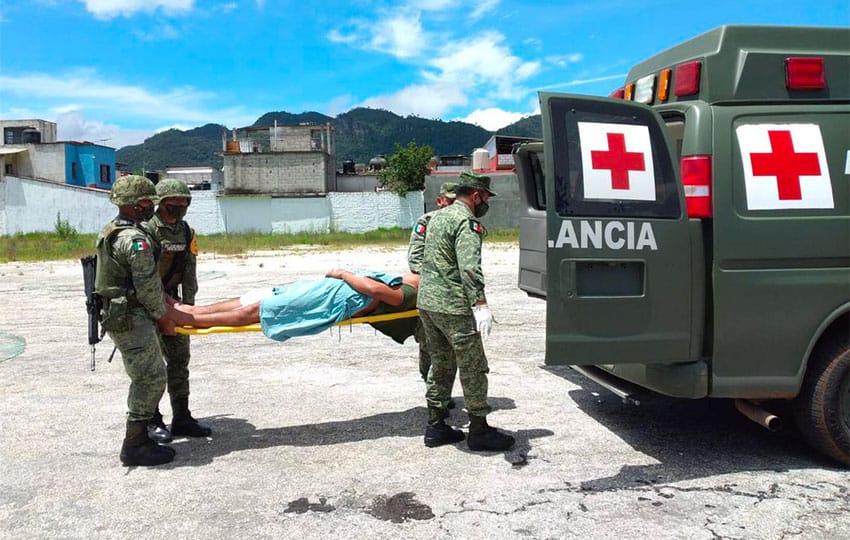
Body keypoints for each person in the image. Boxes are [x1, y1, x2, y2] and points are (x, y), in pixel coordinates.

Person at [417, 170, 515, 451]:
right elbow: (469, 266)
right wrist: (480, 303)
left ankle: (436, 426)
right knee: (472, 367)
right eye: (485, 198)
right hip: (453, 306)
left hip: (428, 303)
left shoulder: (437, 217)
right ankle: (479, 430)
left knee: (440, 364)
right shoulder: (465, 222)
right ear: (475, 196)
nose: (486, 203)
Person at [95, 175, 176, 467]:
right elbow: (148, 286)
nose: (151, 207)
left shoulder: (112, 231)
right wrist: (163, 317)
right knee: (151, 377)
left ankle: (139, 437)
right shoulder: (135, 240)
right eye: (147, 202)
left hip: (121, 315)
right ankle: (135, 444)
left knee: (143, 375)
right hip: (132, 318)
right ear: (134, 204)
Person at [169, 270, 420, 343]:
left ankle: (187, 317)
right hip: (325, 293)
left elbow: (377, 291)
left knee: (259, 310)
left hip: (328, 300)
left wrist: (344, 274)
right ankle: (191, 311)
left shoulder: (412, 291)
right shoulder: (410, 281)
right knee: (257, 299)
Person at [146, 178, 211, 443]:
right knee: (150, 366)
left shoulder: (186, 232)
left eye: (185, 201)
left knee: (179, 360)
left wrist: (189, 309)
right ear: (161, 203)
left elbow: (189, 273)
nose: (180, 205)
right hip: (146, 305)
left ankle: (182, 416)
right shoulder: (146, 230)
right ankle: (151, 419)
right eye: (174, 201)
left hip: (174, 303)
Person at [408, 182, 456, 382]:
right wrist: (434, 276)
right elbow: (415, 257)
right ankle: (428, 380)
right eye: (449, 200)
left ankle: (442, 390)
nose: (452, 205)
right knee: (427, 340)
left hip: (453, 291)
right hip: (431, 287)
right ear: (440, 201)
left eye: (456, 201)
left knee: (452, 343)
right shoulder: (426, 221)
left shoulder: (461, 222)